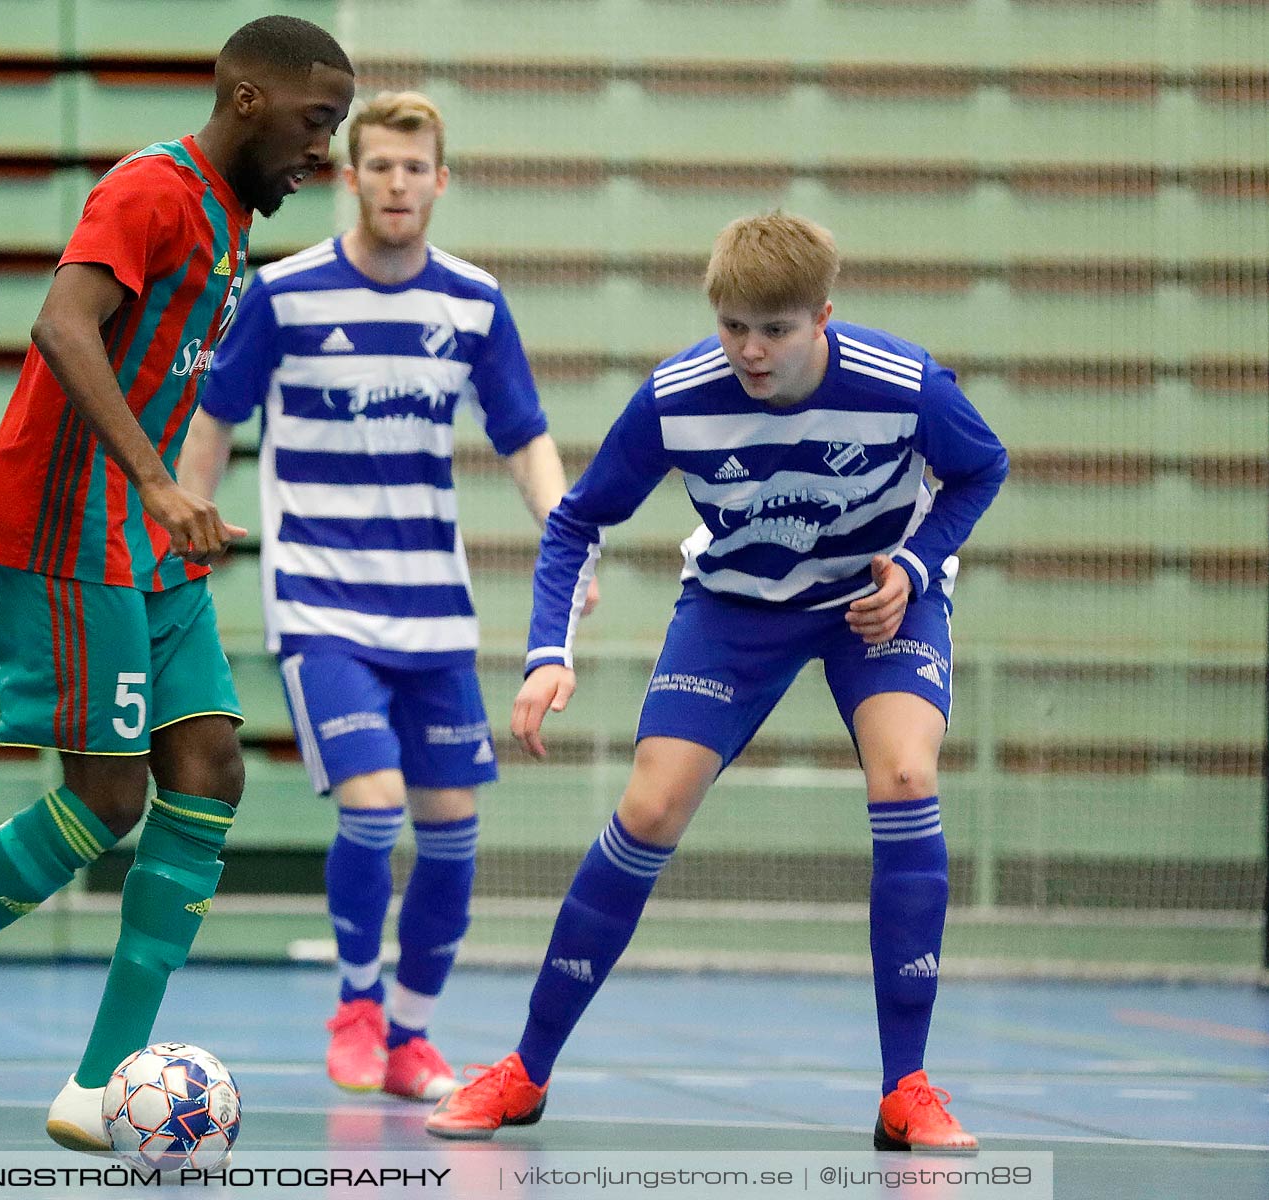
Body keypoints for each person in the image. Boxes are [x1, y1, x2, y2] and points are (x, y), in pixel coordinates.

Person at [0, 16, 354, 1146]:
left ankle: (100, 1087)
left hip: (148, 548)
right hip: (73, 529)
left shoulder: (235, 223)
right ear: (247, 99)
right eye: (314, 122)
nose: (322, 151)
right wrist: (157, 485)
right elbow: (62, 323)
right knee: (107, 800)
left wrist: (171, 506)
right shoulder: (151, 190)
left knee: (210, 769)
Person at [424, 212, 1007, 1152]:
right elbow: (576, 522)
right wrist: (545, 654)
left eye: (774, 330)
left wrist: (912, 561)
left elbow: (981, 471)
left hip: (875, 601)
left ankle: (906, 1087)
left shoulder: (907, 386)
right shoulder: (676, 397)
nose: (751, 350)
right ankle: (524, 1071)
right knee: (649, 809)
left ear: (822, 316)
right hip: (736, 606)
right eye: (733, 326)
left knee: (906, 777)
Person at [181, 91, 593, 1103]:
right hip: (320, 602)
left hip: (434, 613)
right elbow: (214, 414)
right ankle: (357, 1008)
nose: (399, 184)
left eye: (417, 168)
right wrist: (183, 522)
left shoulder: (474, 303)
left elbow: (524, 437)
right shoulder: (285, 293)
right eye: (381, 167)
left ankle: (411, 1034)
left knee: (452, 829)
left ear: (439, 182)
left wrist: (565, 532)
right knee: (372, 809)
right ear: (348, 177)